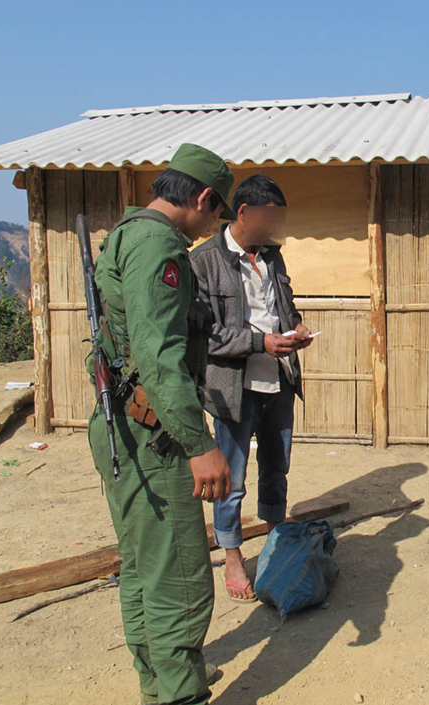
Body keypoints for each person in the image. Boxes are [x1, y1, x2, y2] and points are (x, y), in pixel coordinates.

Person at [87, 143, 235, 704]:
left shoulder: (126, 233)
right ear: (201, 198)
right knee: (178, 574)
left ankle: (159, 683)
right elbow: (160, 357)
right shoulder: (160, 248)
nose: (213, 224)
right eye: (217, 212)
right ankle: (179, 694)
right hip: (154, 433)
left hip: (121, 423)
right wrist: (200, 444)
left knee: (146, 566)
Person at [190, 174, 311, 603]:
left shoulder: (272, 257)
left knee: (277, 467)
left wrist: (294, 329)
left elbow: (285, 305)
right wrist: (261, 342)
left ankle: (276, 542)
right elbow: (207, 335)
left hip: (278, 380)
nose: (275, 228)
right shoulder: (203, 261)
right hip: (233, 388)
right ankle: (233, 555)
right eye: (270, 218)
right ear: (244, 213)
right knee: (232, 478)